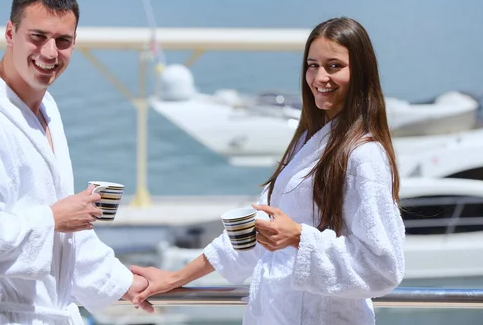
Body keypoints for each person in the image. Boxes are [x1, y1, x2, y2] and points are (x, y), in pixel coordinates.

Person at [129, 17, 406, 324]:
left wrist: (300, 237)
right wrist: (175, 278)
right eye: (312, 65)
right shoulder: (308, 140)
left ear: (361, 74)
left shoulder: (364, 156)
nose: (319, 77)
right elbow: (255, 236)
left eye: (334, 66)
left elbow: (383, 267)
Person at [0, 0, 150, 324]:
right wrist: (53, 218)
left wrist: (127, 283)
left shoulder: (46, 110)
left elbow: (62, 243)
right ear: (10, 33)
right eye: (38, 36)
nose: (51, 53)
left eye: (63, 41)